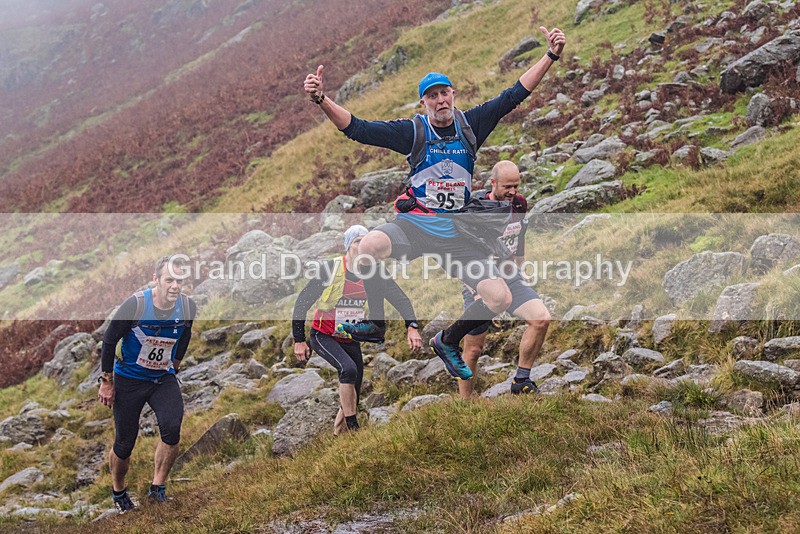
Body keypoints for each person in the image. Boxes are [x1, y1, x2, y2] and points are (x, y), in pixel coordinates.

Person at [302, 26, 563, 390]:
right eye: (432, 96)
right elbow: (358, 129)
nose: (440, 101)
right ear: (423, 103)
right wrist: (321, 100)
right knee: (368, 247)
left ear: (453, 95)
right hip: (417, 225)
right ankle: (376, 325)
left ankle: (448, 340)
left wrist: (549, 56)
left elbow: (514, 94)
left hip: (457, 234)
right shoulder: (413, 132)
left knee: (500, 297)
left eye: (445, 93)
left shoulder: (470, 125)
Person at [292, 225, 422, 434]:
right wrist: (299, 339)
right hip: (323, 335)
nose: (362, 245)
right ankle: (354, 428)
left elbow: (400, 299)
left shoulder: (375, 271)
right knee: (348, 370)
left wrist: (412, 326)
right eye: (357, 242)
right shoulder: (330, 269)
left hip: (350, 336)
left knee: (355, 391)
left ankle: (339, 435)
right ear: (348, 247)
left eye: (365, 241)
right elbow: (302, 303)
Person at [97, 255, 196, 513]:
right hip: (130, 380)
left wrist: (176, 361)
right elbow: (109, 341)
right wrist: (107, 381)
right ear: (156, 280)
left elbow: (186, 333)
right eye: (169, 280)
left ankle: (157, 489)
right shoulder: (137, 305)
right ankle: (118, 491)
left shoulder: (187, 306)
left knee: (172, 428)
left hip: (162, 378)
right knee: (125, 442)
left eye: (180, 281)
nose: (175, 286)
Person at [458, 160, 549, 398]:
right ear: (493, 183)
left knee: (541, 319)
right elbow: (460, 253)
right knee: (474, 348)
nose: (512, 192)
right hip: (480, 280)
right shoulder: (476, 207)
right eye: (507, 186)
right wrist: (473, 287)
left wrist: (521, 270)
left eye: (516, 186)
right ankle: (466, 403)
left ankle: (521, 380)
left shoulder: (518, 203)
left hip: (510, 276)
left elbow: (519, 239)